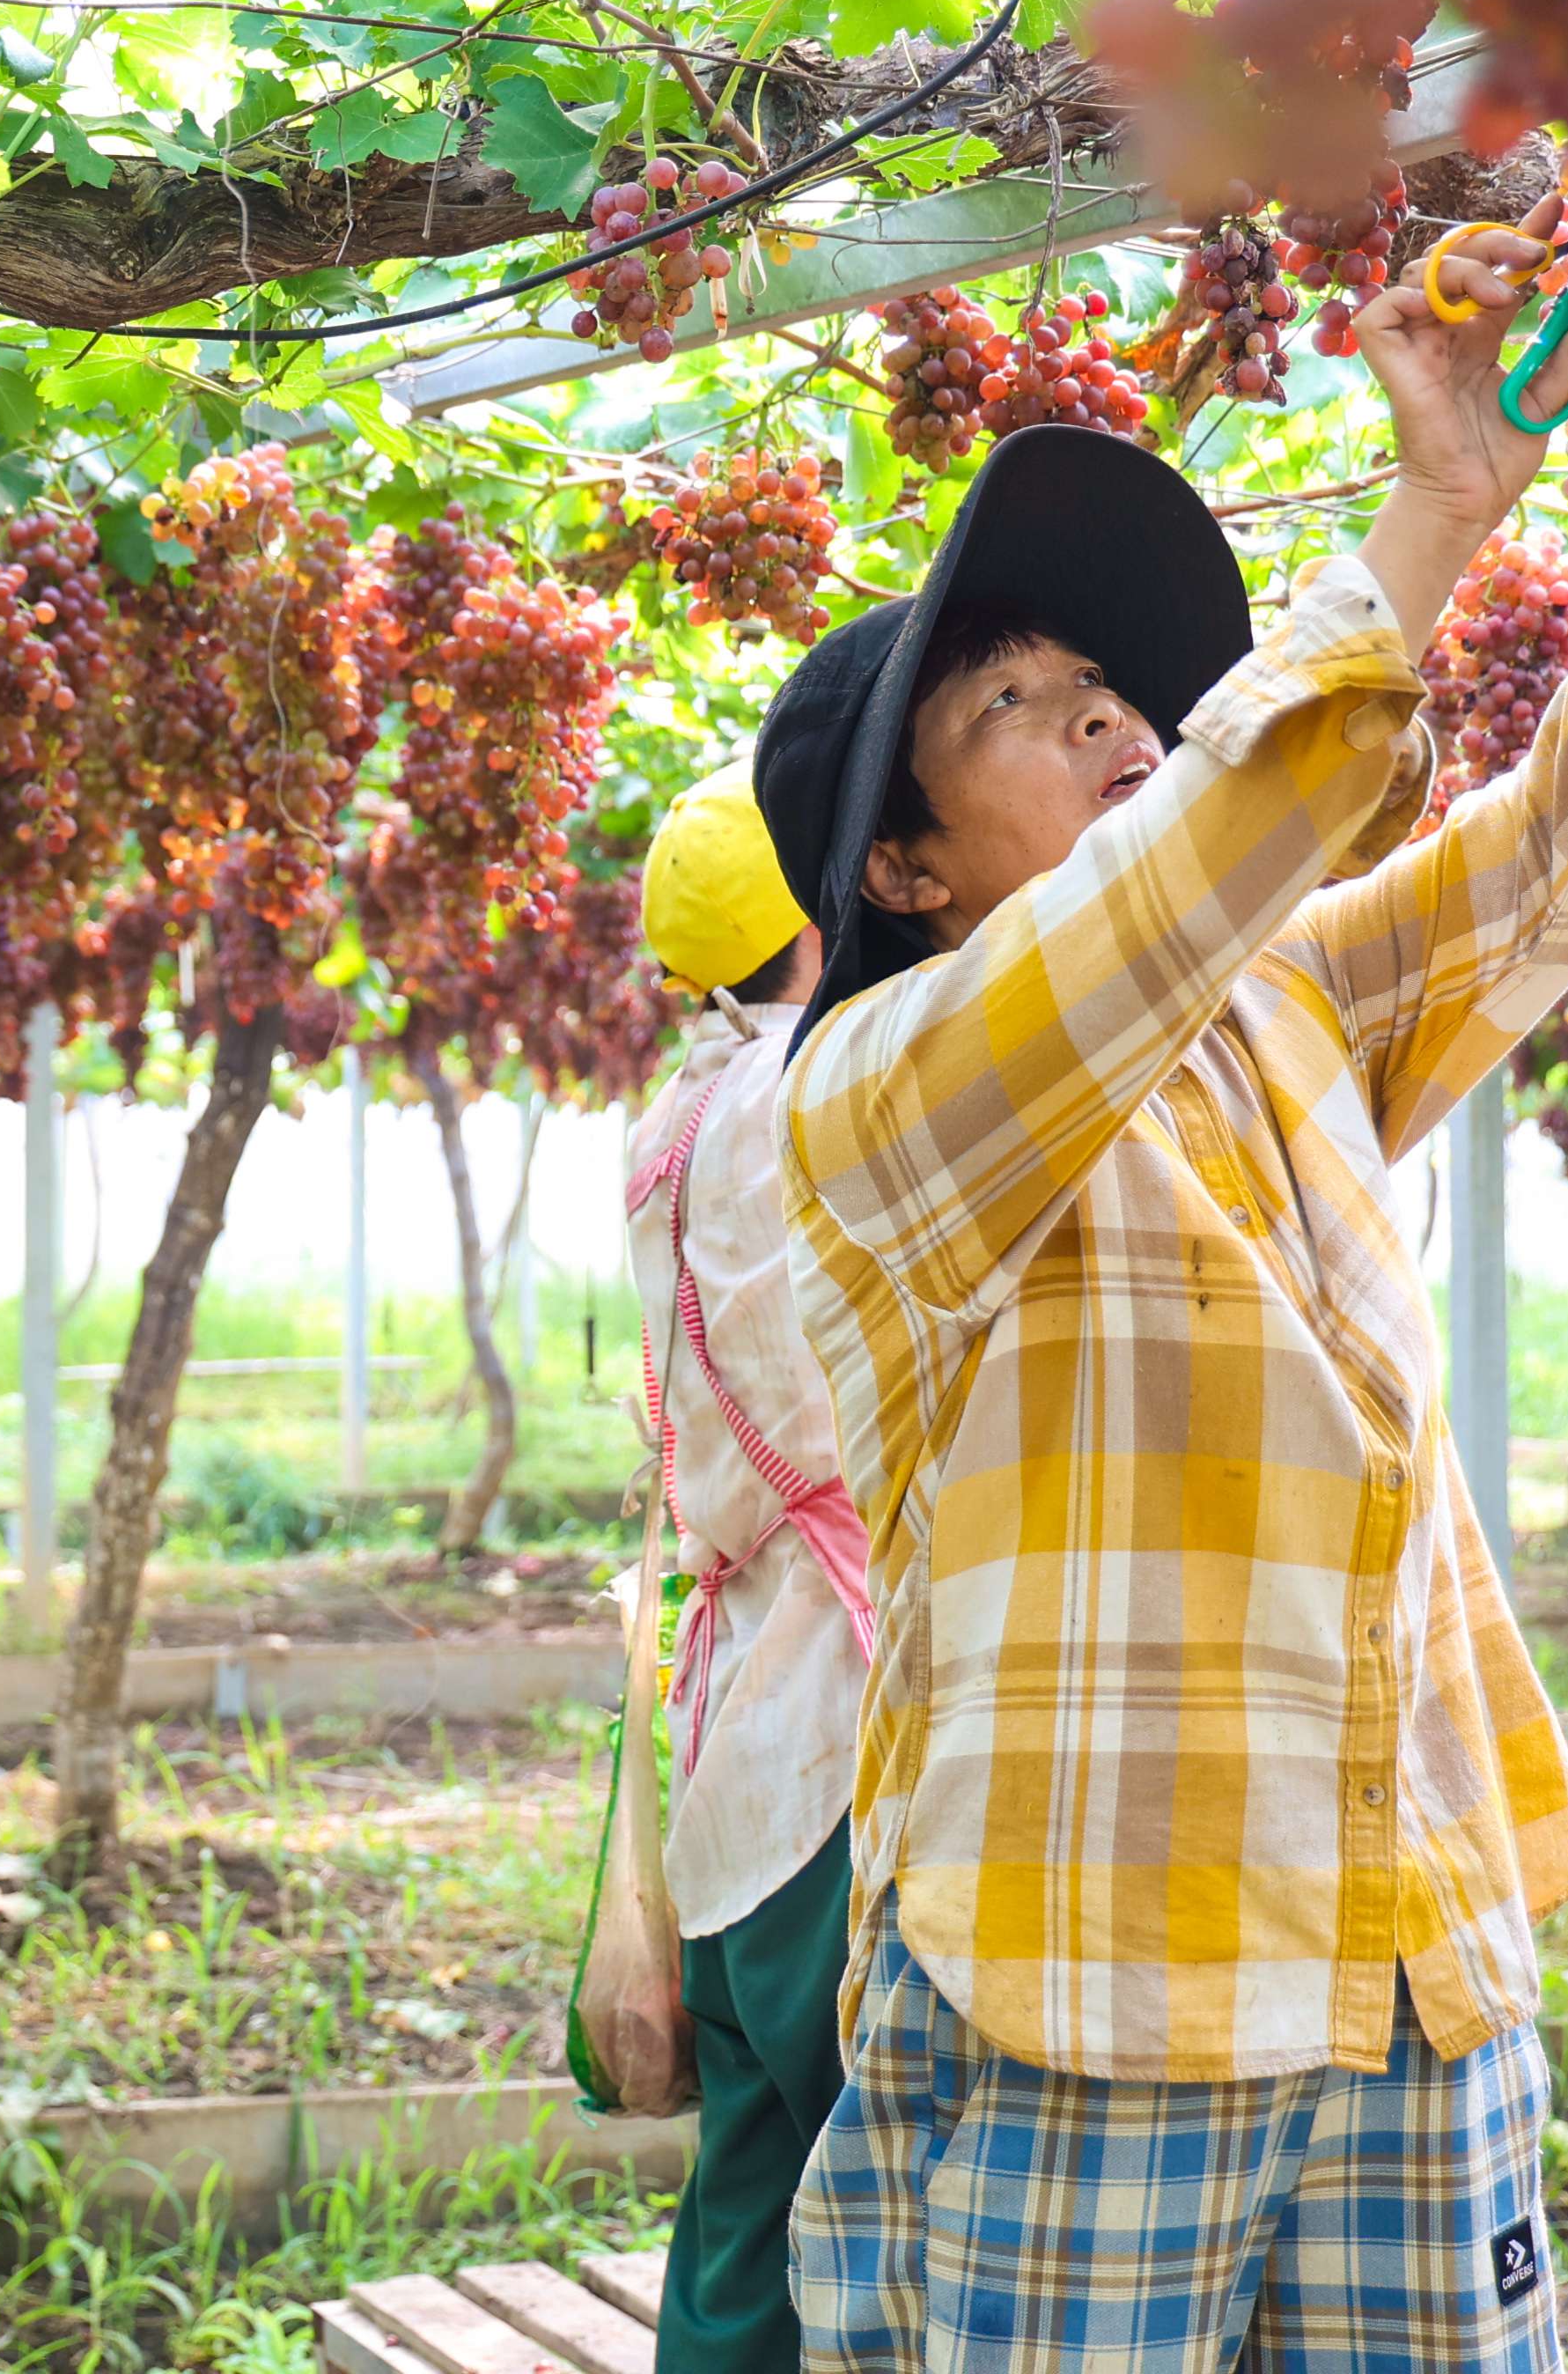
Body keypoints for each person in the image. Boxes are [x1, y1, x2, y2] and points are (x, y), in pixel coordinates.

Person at [760, 221, 1568, 2374]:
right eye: (1017, 709)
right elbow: (1184, 873)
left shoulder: (1281, 1008)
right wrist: (1430, 516)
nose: (1112, 721)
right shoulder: (875, 1095)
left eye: (1116, 692)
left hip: (1407, 1958)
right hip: (1097, 1981)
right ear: (903, 872)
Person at [621, 759, 865, 2374]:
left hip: (733, 1718)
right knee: (879, 2178)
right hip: (847, 1724)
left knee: (747, 2196)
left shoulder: (669, 1121)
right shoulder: (832, 1088)